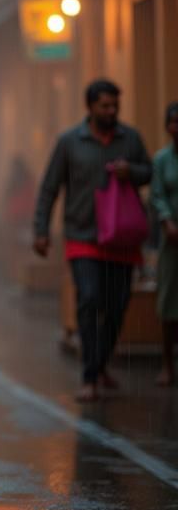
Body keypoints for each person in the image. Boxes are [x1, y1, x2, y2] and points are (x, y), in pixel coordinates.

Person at [33, 78, 152, 401]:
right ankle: (89, 375)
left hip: (122, 239)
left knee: (117, 306)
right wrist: (41, 230)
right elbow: (49, 187)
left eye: (115, 106)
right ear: (90, 107)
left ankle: (100, 365)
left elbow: (149, 171)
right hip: (83, 235)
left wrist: (133, 172)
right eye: (105, 106)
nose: (111, 111)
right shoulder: (70, 142)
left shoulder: (130, 139)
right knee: (89, 297)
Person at [151, 101, 178, 386]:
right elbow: (157, 194)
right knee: (169, 300)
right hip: (171, 240)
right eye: (174, 122)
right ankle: (167, 363)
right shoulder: (161, 160)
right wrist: (167, 221)